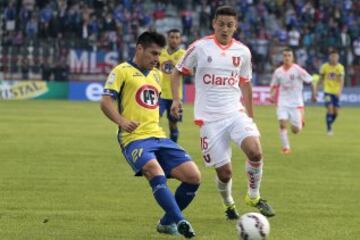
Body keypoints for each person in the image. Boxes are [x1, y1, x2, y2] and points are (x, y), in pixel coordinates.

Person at [170, 6, 275, 219]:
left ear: (235, 27)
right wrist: (176, 99)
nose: (225, 29)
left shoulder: (243, 52)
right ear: (214, 24)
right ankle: (229, 204)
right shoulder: (200, 47)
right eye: (221, 24)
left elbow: (245, 84)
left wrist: (250, 116)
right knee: (225, 174)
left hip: (235, 113)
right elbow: (177, 72)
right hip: (209, 120)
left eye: (230, 25)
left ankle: (253, 196)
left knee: (255, 151)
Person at [100, 31, 201, 238]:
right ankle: (180, 221)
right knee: (155, 171)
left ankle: (166, 222)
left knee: (193, 177)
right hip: (134, 139)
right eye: (153, 53)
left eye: (159, 54)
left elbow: (151, 103)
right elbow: (106, 101)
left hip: (158, 136)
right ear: (139, 49)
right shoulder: (122, 70)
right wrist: (121, 121)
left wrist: (173, 106)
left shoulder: (156, 74)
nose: (157, 59)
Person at [269, 48, 316, 154]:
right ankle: (286, 148)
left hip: (296, 104)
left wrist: (313, 95)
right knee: (282, 124)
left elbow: (311, 80)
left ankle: (300, 122)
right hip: (283, 102)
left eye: (289, 55)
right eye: (285, 55)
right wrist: (271, 96)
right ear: (282, 57)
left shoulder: (298, 70)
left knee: (295, 130)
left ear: (292, 57)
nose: (287, 58)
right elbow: (274, 86)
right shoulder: (278, 72)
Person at [159, 29, 186, 143]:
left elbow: (191, 72)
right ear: (167, 38)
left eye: (177, 37)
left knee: (173, 124)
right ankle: (153, 143)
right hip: (159, 94)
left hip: (175, 96)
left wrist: (181, 69)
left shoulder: (183, 54)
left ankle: (173, 146)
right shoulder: (160, 53)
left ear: (180, 39)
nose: (174, 40)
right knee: (153, 120)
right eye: (172, 37)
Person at [315, 49, 345, 135]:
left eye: (336, 57)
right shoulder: (324, 67)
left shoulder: (340, 67)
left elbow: (341, 80)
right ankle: (329, 129)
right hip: (327, 91)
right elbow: (320, 79)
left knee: (336, 112)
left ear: (338, 57)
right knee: (330, 109)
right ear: (330, 57)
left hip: (336, 92)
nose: (334, 58)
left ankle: (329, 123)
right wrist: (316, 90)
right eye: (333, 56)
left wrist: (340, 91)